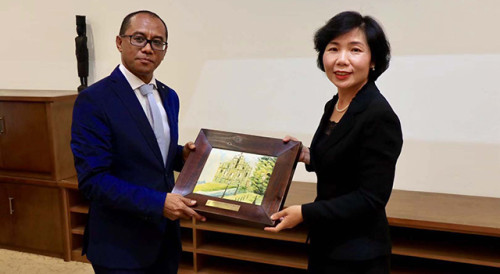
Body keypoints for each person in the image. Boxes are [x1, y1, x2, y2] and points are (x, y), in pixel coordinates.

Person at [265, 11, 403, 273]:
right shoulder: (336, 104)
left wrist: (305, 213)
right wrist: (306, 154)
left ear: (373, 59)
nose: (342, 60)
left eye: (355, 50)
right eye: (333, 49)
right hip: (326, 243)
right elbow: (342, 160)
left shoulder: (379, 115)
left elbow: (371, 198)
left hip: (359, 254)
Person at [71, 10, 205, 274]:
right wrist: (158, 203)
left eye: (157, 42)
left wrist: (182, 156)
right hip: (120, 245)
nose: (147, 48)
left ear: (164, 50)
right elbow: (93, 180)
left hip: (165, 238)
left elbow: (152, 153)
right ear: (120, 42)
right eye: (138, 38)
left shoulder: (169, 96)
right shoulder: (95, 100)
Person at [75, 15, 89, 92]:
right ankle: (82, 83)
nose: (78, 30)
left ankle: (85, 83)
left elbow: (84, 47)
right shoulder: (76, 39)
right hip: (79, 57)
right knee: (80, 72)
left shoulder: (84, 38)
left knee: (84, 71)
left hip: (84, 57)